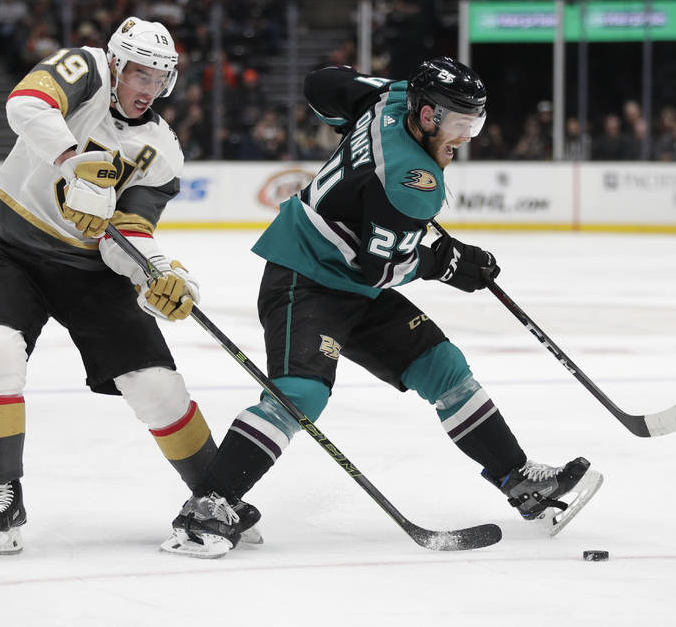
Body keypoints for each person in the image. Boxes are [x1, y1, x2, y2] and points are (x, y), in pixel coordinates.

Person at [161, 58, 603, 558]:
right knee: (299, 395)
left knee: (445, 368)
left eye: (473, 124)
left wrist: (381, 100)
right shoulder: (413, 181)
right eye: (459, 124)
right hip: (304, 277)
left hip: (348, 281)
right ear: (430, 115)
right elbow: (382, 270)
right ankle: (207, 509)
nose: (465, 138)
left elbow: (321, 85)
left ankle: (518, 479)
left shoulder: (390, 99)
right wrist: (446, 263)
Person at [0, 16, 260, 555]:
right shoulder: (87, 71)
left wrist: (160, 274)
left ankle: (216, 495)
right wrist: (74, 162)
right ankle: (3, 492)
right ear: (118, 64)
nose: (147, 89)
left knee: (157, 386)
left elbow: (127, 232)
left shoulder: (163, 151)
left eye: (159, 78)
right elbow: (25, 105)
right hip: (18, 256)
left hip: (92, 276)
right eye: (139, 74)